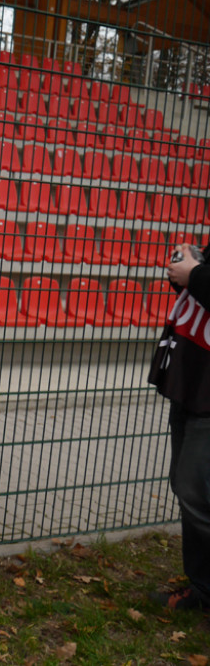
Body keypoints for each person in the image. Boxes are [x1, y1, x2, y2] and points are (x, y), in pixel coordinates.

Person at [147, 240, 210, 612]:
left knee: (197, 493)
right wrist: (185, 272)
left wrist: (195, 275)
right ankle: (201, 589)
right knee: (188, 490)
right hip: (193, 381)